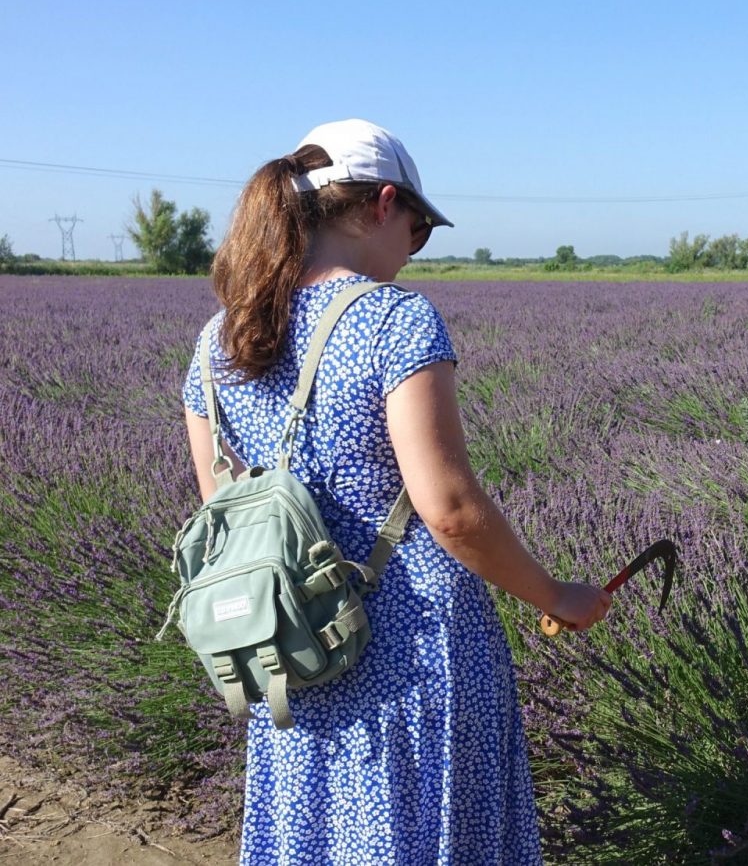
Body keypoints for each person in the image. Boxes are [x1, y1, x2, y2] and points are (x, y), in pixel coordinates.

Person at [181, 118, 611, 864]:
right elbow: (448, 508)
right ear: (383, 205)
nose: (412, 253)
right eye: (418, 231)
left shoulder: (219, 339)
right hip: (412, 653)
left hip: (290, 651)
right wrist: (555, 596)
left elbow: (223, 510)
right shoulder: (394, 321)